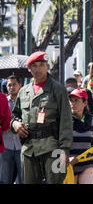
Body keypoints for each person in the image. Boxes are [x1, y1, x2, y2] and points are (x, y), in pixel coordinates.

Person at [11, 51, 73, 184]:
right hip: (29, 149)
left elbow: (66, 120)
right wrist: (14, 124)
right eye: (34, 66)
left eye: (41, 65)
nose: (38, 69)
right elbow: (14, 115)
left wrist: (65, 149)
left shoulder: (58, 89)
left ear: (47, 67)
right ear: (29, 69)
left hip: (54, 147)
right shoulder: (23, 91)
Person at [68, 88, 93, 184]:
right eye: (71, 100)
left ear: (85, 103)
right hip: (69, 165)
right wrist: (66, 158)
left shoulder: (91, 121)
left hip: (87, 164)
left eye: (76, 100)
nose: (73, 103)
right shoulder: (64, 121)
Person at [0, 76, 23, 184]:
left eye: (14, 84)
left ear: (20, 85)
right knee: (5, 178)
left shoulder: (25, 102)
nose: (12, 87)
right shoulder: (3, 101)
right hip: (6, 145)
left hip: (22, 145)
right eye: (9, 85)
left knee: (23, 178)